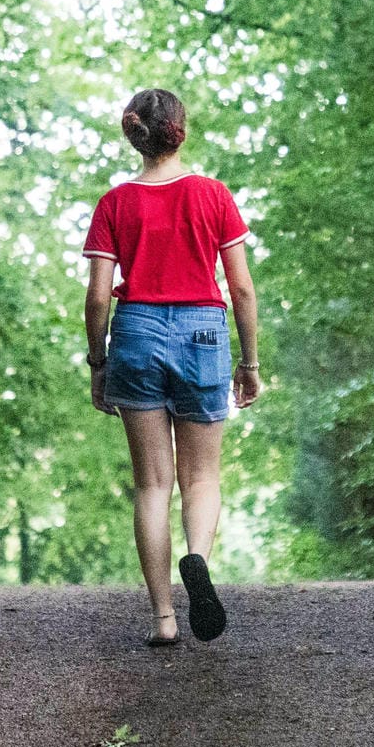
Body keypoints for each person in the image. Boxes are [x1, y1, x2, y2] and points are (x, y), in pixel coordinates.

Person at [83, 89, 262, 647]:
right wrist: (250, 361)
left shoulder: (115, 203)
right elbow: (241, 288)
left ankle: (163, 619)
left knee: (151, 485)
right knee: (202, 477)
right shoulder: (212, 196)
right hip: (204, 332)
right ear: (181, 130)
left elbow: (95, 298)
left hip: (135, 329)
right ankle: (198, 559)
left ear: (133, 132)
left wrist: (98, 362)